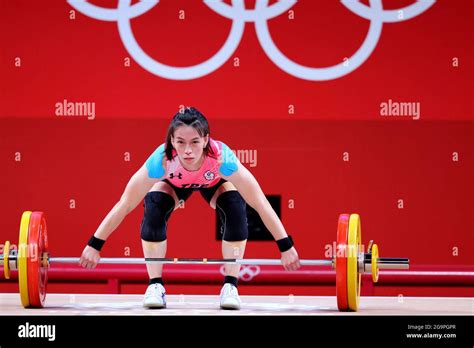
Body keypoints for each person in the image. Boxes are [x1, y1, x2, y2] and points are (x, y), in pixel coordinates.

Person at [79, 107, 301, 310]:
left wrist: (285, 246)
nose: (187, 150)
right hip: (174, 183)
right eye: (180, 142)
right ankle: (155, 286)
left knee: (235, 206)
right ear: (172, 142)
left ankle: (230, 287)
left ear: (206, 139)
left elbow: (260, 202)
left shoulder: (222, 159)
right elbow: (125, 204)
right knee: (154, 205)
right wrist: (94, 244)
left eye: (194, 142)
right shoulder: (162, 161)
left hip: (214, 181)